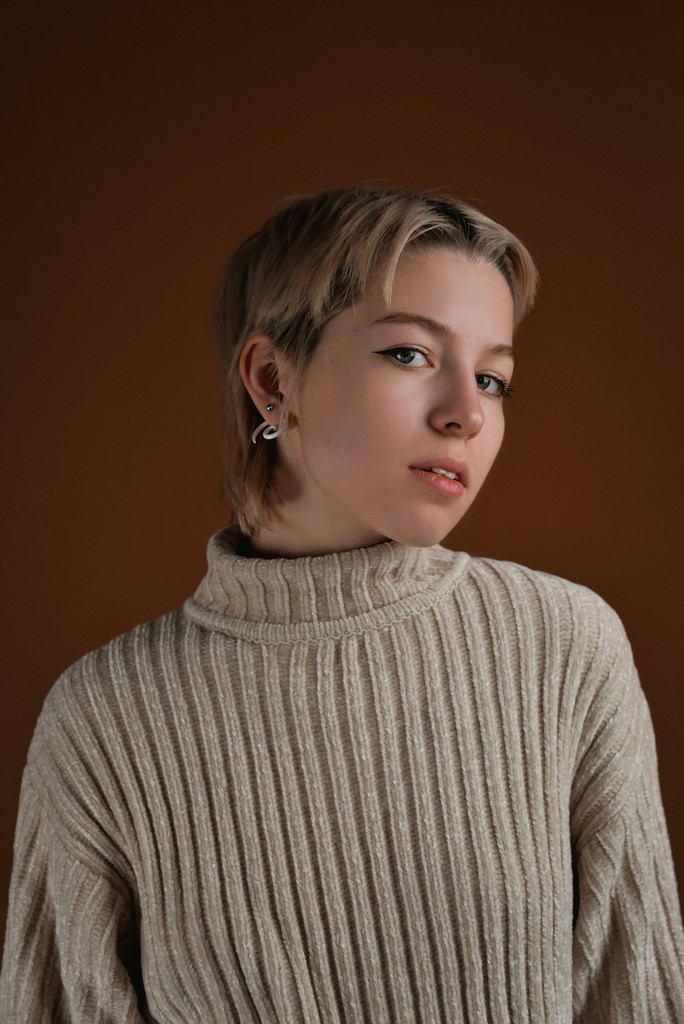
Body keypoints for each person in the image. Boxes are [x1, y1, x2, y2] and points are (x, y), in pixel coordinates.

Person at [1, 183, 682, 1023]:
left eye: (495, 378)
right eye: (409, 354)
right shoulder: (104, 725)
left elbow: (636, 997)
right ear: (271, 379)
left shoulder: (565, 648)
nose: (466, 413)